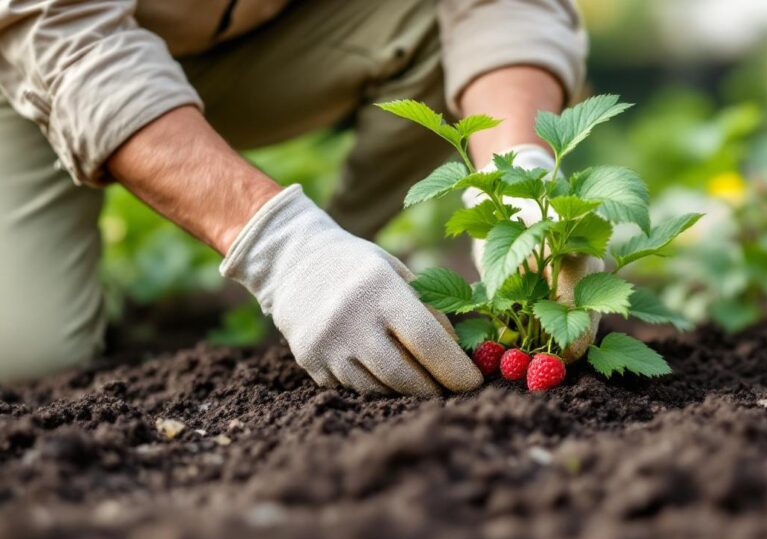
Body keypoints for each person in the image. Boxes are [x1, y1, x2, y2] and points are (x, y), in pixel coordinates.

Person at [0, 0, 591, 395]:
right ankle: (312, 270)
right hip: (36, 56)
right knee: (24, 355)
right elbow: (59, 30)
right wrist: (281, 246)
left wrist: (520, 178)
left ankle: (356, 267)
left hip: (275, 37)